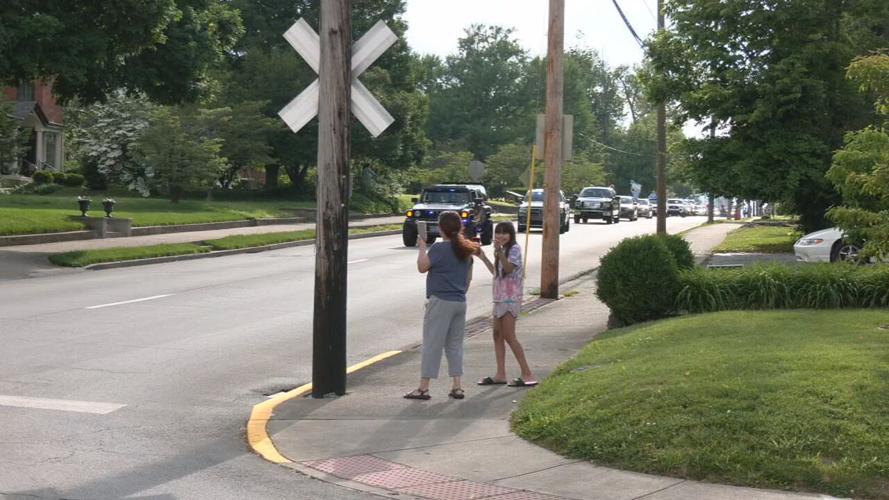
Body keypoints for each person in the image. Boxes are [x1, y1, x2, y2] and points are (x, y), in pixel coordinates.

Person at [404, 211, 478, 401]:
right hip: (460, 301)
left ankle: (423, 388)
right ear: (460, 227)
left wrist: (422, 247)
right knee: (454, 345)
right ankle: (457, 386)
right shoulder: (466, 250)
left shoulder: (438, 249)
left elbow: (422, 267)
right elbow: (468, 280)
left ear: (441, 228)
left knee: (432, 345)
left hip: (440, 301)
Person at [474, 222, 537, 388]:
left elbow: (509, 269)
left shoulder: (514, 249)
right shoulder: (500, 251)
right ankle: (500, 374)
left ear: (511, 234)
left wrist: (500, 253)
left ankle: (527, 373)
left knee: (509, 335)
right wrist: (483, 257)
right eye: (498, 232)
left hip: (511, 299)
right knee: (497, 335)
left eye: (505, 233)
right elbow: (497, 273)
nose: (501, 236)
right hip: (499, 298)